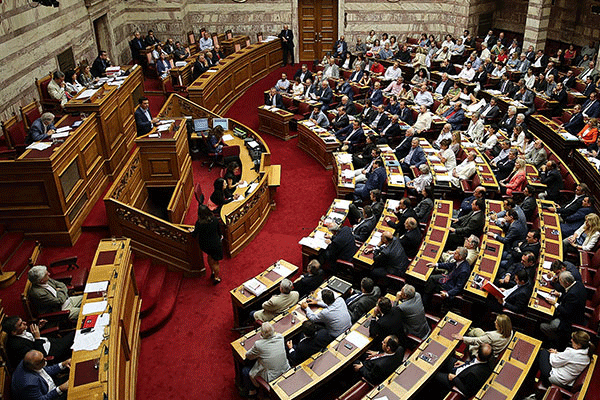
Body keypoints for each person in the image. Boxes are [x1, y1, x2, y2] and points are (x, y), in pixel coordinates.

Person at [2, 316, 75, 369]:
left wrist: (39, 327)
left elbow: (28, 336)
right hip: (50, 352)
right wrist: (37, 338)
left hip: (50, 342)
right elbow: (40, 357)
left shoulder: (20, 332)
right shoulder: (17, 346)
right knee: (75, 334)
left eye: (22, 321)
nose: (25, 323)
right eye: (21, 324)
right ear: (14, 332)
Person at [242, 322, 290, 397]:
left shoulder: (259, 345)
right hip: (285, 369)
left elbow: (248, 356)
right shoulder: (280, 337)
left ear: (261, 334)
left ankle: (252, 391)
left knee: (245, 370)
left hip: (272, 376)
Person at [540, 271, 587, 347]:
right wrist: (559, 294)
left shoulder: (573, 295)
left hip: (570, 320)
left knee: (543, 326)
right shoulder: (578, 283)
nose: (559, 283)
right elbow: (568, 295)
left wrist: (554, 303)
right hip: (575, 312)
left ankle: (557, 341)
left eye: (560, 281)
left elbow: (566, 312)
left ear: (567, 283)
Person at [190, 204, 224, 284]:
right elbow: (219, 231)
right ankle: (216, 278)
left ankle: (212, 272)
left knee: (210, 256)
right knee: (216, 262)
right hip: (215, 244)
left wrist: (191, 230)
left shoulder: (199, 223)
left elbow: (194, 234)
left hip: (205, 245)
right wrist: (220, 237)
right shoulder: (214, 219)